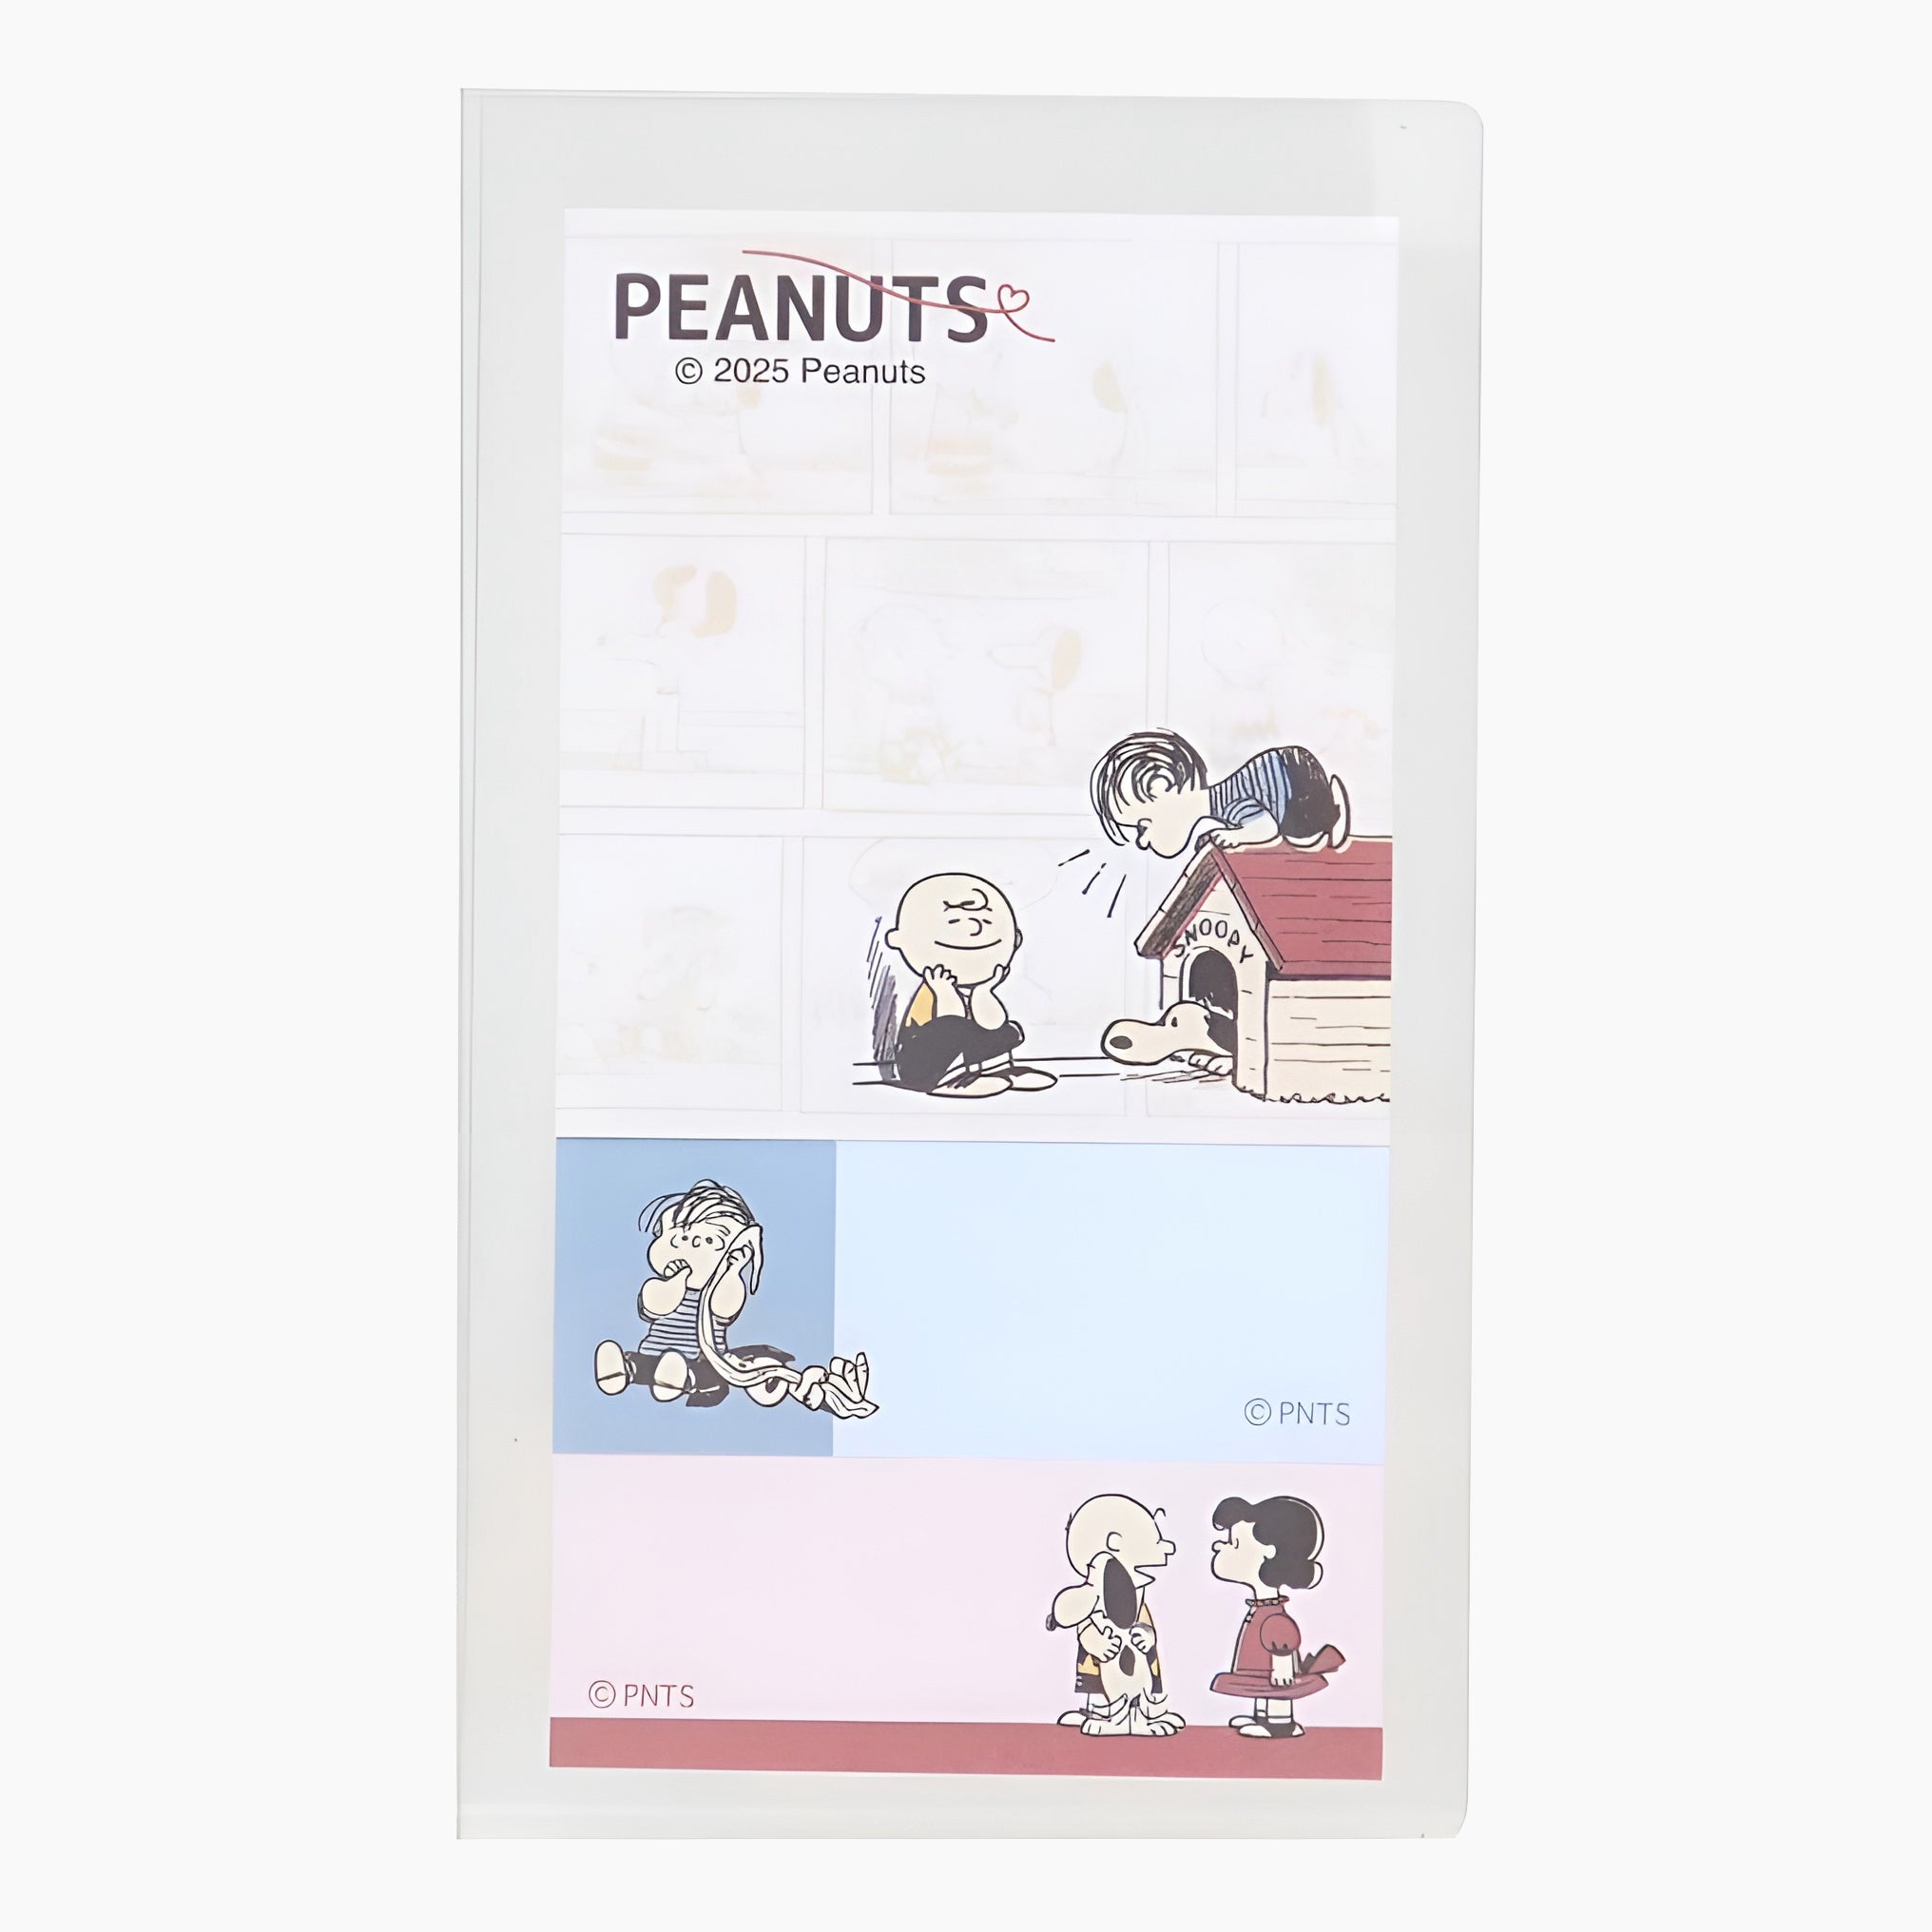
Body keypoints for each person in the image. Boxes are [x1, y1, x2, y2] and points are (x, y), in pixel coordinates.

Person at [882, 872, 1056, 1098]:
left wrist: (984, 992)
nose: (974, 928)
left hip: (963, 1051)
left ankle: (997, 1071)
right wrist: (944, 991)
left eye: (986, 922)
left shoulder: (974, 985)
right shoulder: (935, 986)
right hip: (922, 1064)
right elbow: (951, 1022)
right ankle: (951, 1082)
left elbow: (991, 1022)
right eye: (954, 922)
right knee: (955, 1028)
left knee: (1006, 1030)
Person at [1089, 728, 1351, 859]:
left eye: (1142, 826)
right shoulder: (1224, 804)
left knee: (1302, 831)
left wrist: (1236, 836)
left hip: (1297, 785)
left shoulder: (1228, 804)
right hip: (1293, 777)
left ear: (1162, 785)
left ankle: (1332, 814)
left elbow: (1267, 826)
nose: (1142, 842)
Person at [1207, 1494, 1345, 1739]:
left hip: (1274, 1671)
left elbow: (1284, 1639)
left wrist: (1282, 1668)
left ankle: (1281, 1723)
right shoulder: (1261, 1608)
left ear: (1268, 1553)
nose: (1219, 1546)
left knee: (1276, 1692)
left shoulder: (1272, 1616)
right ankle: (1262, 1717)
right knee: (1264, 1689)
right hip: (1261, 1669)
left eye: (1234, 1543)